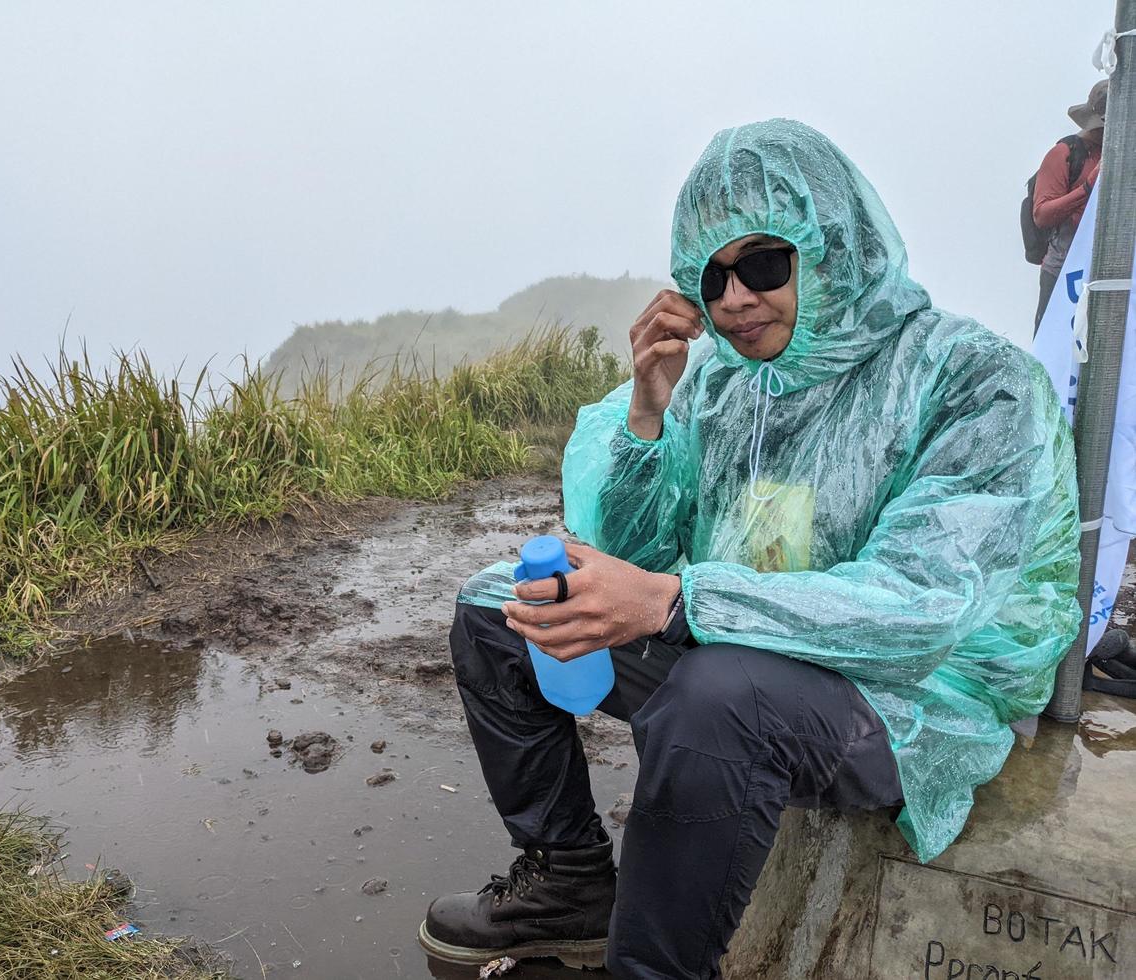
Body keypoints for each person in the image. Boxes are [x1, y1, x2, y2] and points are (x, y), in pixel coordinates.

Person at [416, 119, 1081, 979]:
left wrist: (678, 603)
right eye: (711, 275)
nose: (734, 298)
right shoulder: (728, 385)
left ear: (834, 249)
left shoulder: (970, 379)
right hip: (745, 642)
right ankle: (572, 880)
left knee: (714, 699)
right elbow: (634, 554)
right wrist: (648, 416)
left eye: (765, 263)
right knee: (501, 607)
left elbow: (923, 609)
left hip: (912, 691)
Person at [1032, 79, 1106, 334]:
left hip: (1106, 273)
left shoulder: (1121, 154)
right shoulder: (1065, 153)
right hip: (1062, 272)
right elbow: (1042, 214)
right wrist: (1086, 188)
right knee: (1054, 347)